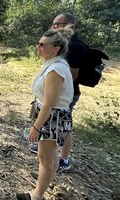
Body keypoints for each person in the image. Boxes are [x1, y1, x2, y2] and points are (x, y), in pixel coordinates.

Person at [16, 28, 74, 200]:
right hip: (53, 115)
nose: (38, 47)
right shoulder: (54, 64)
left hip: (52, 117)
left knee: (44, 157)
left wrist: (36, 126)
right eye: (38, 43)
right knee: (50, 155)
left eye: (42, 45)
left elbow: (50, 103)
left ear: (56, 48)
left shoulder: (56, 70)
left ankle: (37, 195)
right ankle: (46, 181)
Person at [29, 13, 87, 172]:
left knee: (63, 129)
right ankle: (49, 148)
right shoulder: (55, 56)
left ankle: (63, 159)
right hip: (54, 95)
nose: (54, 26)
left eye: (58, 24)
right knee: (51, 141)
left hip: (62, 97)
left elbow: (72, 74)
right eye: (53, 23)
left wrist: (36, 126)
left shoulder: (75, 47)